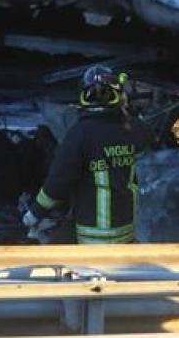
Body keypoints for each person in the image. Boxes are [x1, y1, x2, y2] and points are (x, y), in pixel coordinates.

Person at [22, 65, 149, 244]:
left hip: (94, 235)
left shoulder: (80, 134)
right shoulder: (135, 129)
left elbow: (59, 180)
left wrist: (35, 213)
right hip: (128, 230)